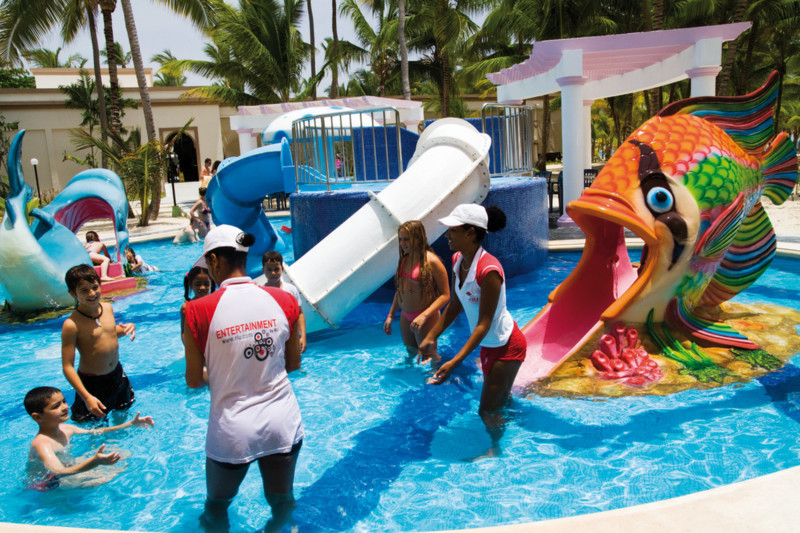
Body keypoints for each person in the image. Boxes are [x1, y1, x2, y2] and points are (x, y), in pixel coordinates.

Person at [183, 225, 303, 533]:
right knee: (282, 502)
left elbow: (194, 380)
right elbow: (293, 363)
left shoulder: (195, 310)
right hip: (282, 422)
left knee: (216, 507)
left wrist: (223, 371)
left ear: (214, 261)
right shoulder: (284, 299)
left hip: (232, 430)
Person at [419, 204, 526, 457]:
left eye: (453, 230)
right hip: (490, 345)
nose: (447, 235)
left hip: (506, 346)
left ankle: (495, 450)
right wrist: (432, 336)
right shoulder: (458, 260)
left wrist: (454, 362)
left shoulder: (489, 271)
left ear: (470, 233)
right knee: (499, 399)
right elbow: (456, 303)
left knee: (487, 410)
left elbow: (483, 324)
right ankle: (513, 417)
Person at [24, 386, 153, 490]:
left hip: (64, 469)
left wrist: (130, 424)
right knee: (104, 477)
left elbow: (96, 432)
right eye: (56, 406)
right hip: (48, 484)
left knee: (122, 454)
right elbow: (58, 471)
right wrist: (94, 462)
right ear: (38, 417)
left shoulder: (66, 429)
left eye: (64, 401)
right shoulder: (42, 444)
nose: (65, 407)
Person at [61, 264, 137, 422]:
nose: (92, 293)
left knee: (123, 414)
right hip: (92, 384)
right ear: (73, 293)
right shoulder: (72, 325)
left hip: (117, 375)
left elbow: (108, 332)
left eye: (95, 287)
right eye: (84, 290)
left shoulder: (107, 308)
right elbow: (67, 367)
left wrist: (128, 328)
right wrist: (87, 397)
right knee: (94, 427)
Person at [383, 221, 449, 361]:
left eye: (406, 239)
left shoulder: (432, 261)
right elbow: (400, 290)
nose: (402, 243)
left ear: (418, 238)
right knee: (411, 351)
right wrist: (391, 315)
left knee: (428, 355)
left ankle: (436, 373)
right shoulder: (404, 260)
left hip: (425, 316)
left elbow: (445, 295)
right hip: (405, 316)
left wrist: (424, 316)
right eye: (400, 239)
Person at [262, 251, 307, 353]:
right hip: (272, 339)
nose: (273, 273)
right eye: (269, 270)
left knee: (295, 361)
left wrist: (303, 336)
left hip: (292, 337)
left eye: (276, 269)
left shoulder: (291, 290)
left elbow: (299, 313)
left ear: (282, 269)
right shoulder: (261, 292)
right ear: (263, 270)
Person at [180, 265, 216, 342]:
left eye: (206, 284)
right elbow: (184, 333)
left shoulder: (216, 304)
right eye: (197, 284)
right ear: (190, 285)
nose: (202, 287)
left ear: (211, 284)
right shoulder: (186, 308)